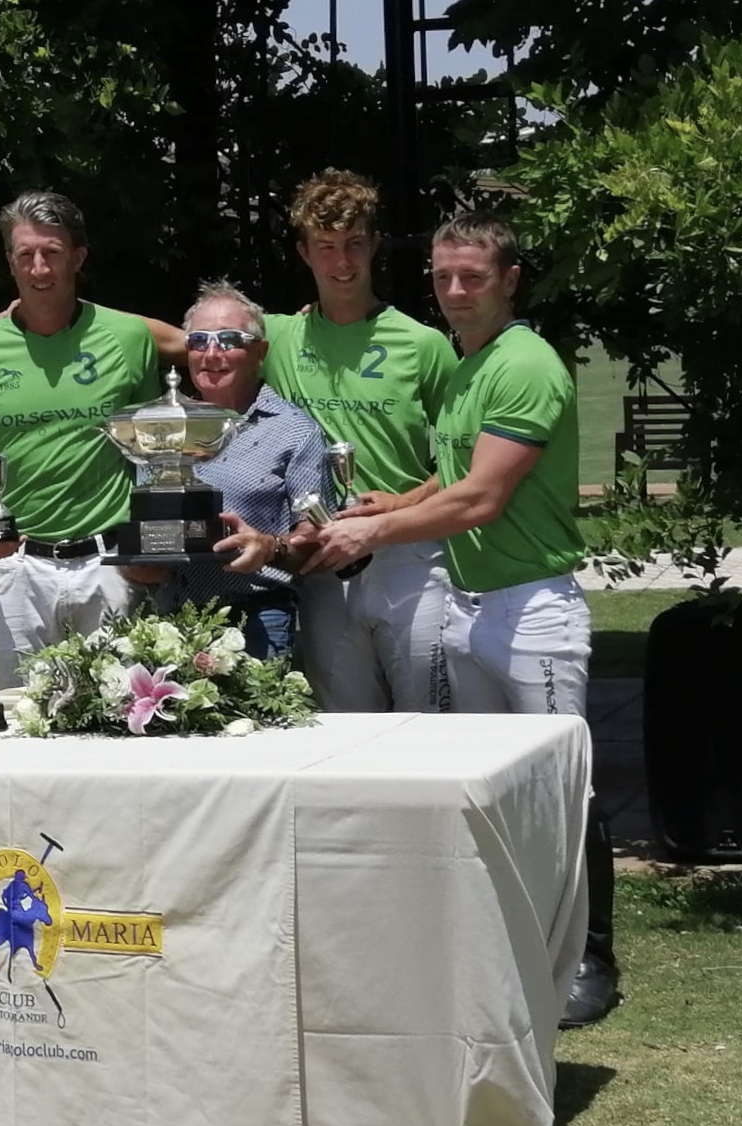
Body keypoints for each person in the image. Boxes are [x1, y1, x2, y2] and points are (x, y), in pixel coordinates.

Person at [295, 210, 619, 1029]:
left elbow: (481, 497)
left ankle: (590, 957)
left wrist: (372, 533)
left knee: (563, 789)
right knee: (485, 788)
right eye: (442, 276)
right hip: (471, 604)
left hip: (532, 607)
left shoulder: (524, 363)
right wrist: (396, 500)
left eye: (472, 276)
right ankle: (507, 942)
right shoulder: (469, 364)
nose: (454, 290)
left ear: (509, 279)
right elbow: (451, 477)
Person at [0, 190, 159, 690]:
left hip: (110, 563)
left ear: (78, 257)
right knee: (16, 714)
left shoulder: (128, 338)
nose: (39, 269)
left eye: (52, 253)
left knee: (122, 712)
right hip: (16, 567)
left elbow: (154, 456)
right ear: (9, 261)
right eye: (26, 254)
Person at [261, 169, 459, 712]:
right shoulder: (277, 338)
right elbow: (189, 340)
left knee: (430, 722)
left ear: (373, 245)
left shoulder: (424, 344)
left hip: (408, 553)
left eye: (353, 243)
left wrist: (403, 502)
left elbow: (464, 461)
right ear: (304, 252)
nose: (342, 261)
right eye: (326, 246)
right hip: (324, 561)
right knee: (344, 727)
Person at [126, 281, 333, 658]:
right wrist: (139, 562)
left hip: (257, 622)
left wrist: (270, 547)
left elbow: (318, 537)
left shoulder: (295, 432)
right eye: (199, 341)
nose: (211, 353)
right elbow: (148, 531)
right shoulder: (161, 430)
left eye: (228, 340)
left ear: (259, 352)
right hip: (171, 622)